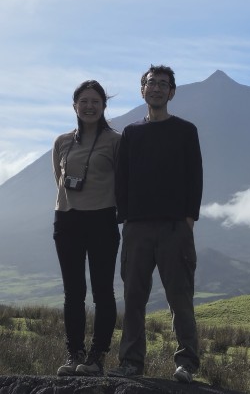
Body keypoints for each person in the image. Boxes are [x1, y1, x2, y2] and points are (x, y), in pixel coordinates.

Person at [109, 65, 203, 384]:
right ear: (143, 91)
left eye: (164, 84)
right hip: (136, 227)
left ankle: (187, 363)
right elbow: (121, 178)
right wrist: (125, 218)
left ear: (172, 92)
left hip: (176, 227)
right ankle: (131, 363)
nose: (157, 88)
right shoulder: (132, 133)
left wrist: (189, 219)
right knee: (134, 296)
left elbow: (195, 177)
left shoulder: (186, 131)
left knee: (180, 296)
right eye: (152, 83)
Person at [52, 80, 121, 377]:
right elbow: (59, 177)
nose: (89, 106)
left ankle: (97, 356)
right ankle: (74, 353)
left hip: (102, 220)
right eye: (84, 101)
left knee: (102, 292)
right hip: (67, 219)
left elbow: (124, 181)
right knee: (73, 292)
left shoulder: (116, 141)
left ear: (104, 105)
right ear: (74, 106)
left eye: (95, 101)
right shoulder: (62, 141)